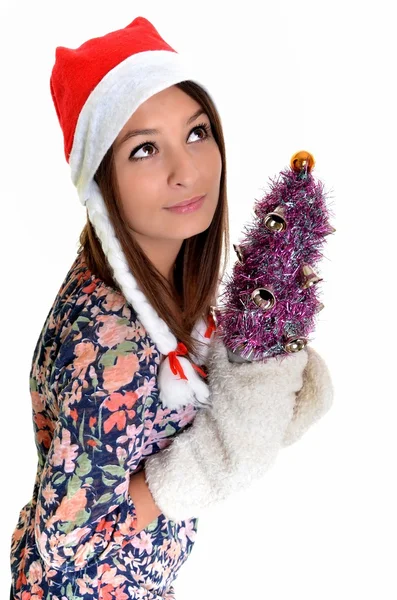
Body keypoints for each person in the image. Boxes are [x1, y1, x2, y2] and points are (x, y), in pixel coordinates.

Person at [9, 16, 334, 599]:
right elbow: (62, 540)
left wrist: (260, 394)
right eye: (144, 150)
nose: (188, 172)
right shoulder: (111, 353)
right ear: (101, 180)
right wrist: (207, 463)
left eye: (196, 132)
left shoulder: (159, 282)